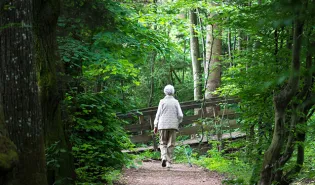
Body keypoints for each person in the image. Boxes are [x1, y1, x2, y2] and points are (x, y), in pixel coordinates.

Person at [153, 85, 183, 169]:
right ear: (173, 92)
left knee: (163, 142)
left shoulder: (162, 101)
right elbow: (180, 115)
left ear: (165, 92)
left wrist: (155, 125)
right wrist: (178, 122)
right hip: (173, 125)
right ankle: (169, 163)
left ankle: (163, 157)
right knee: (171, 144)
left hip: (162, 125)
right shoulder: (176, 102)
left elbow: (158, 114)